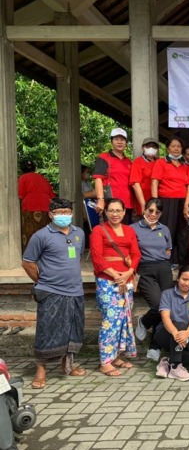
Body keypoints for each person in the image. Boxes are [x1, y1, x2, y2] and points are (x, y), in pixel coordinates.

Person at [22, 198, 87, 389]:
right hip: (51, 291)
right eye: (59, 212)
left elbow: (78, 255)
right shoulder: (41, 236)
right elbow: (27, 262)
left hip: (75, 290)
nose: (64, 215)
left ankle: (67, 367)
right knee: (47, 331)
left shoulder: (79, 233)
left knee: (72, 330)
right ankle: (40, 372)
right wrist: (41, 281)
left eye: (67, 212)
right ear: (51, 214)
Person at [90, 198, 141, 377]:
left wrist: (129, 272)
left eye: (118, 210)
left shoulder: (129, 230)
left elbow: (136, 254)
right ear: (106, 212)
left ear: (124, 212)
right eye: (111, 210)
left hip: (126, 280)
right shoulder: (98, 230)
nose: (115, 214)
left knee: (123, 320)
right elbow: (97, 257)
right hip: (107, 280)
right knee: (110, 321)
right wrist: (115, 275)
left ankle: (116, 356)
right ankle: (105, 361)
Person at [132, 198, 173, 361]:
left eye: (157, 212)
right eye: (150, 210)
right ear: (144, 210)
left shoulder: (165, 229)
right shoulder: (133, 229)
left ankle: (155, 347)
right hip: (145, 268)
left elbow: (168, 250)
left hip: (163, 268)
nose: (153, 214)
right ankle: (144, 321)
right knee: (158, 305)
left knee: (167, 307)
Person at [153, 265, 189, 382]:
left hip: (186, 333)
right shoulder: (167, 294)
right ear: (178, 278)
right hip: (165, 333)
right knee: (179, 324)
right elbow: (165, 317)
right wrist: (175, 332)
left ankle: (166, 362)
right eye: (184, 279)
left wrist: (188, 332)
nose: (187, 283)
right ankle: (175, 367)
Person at [151, 136, 189, 266]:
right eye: (173, 146)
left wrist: (187, 204)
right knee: (167, 230)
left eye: (178, 146)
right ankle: (165, 259)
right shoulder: (161, 162)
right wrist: (155, 202)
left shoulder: (185, 165)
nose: (176, 149)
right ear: (168, 148)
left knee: (182, 231)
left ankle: (180, 261)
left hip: (182, 201)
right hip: (166, 200)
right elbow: (154, 182)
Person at [93, 127, 133, 221]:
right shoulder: (103, 157)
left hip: (127, 205)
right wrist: (100, 200)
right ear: (111, 141)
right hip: (111, 204)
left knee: (124, 232)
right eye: (116, 139)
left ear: (126, 142)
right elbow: (98, 179)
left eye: (122, 139)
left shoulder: (129, 162)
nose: (120, 142)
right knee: (111, 233)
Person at [18, 159, 56, 251]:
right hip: (45, 206)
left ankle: (29, 254)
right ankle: (45, 252)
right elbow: (52, 195)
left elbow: (20, 195)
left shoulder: (22, 178)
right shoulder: (42, 177)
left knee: (29, 232)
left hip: (30, 207)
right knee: (44, 231)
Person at [130, 137, 159, 217]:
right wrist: (143, 204)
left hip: (158, 202)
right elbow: (135, 184)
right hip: (143, 202)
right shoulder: (138, 162)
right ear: (143, 148)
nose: (151, 148)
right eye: (148, 146)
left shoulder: (159, 162)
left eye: (154, 147)